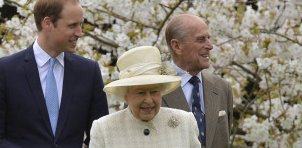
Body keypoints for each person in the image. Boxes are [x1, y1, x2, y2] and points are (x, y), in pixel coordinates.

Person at [0, 0, 109, 148]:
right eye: (72, 25)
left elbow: (100, 136)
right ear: (47, 23)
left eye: (80, 25)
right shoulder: (3, 71)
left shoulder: (89, 71)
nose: (80, 33)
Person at [89, 46, 201, 148]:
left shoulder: (186, 122)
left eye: (154, 92)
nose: (148, 100)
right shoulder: (103, 129)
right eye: (141, 92)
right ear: (126, 96)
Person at [162, 14, 234, 148]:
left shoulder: (222, 88)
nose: (210, 46)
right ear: (177, 46)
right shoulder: (149, 89)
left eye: (209, 39)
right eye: (201, 40)